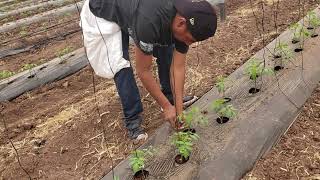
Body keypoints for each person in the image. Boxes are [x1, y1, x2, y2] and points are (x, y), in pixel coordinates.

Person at [80, 0, 217, 141]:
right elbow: (143, 70)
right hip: (104, 9)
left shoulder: (185, 15)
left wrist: (179, 109)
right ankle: (132, 120)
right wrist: (165, 107)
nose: (188, 44)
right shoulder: (148, 21)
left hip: (138, 10)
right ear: (181, 23)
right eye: (189, 39)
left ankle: (171, 98)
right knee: (121, 65)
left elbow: (178, 67)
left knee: (167, 50)